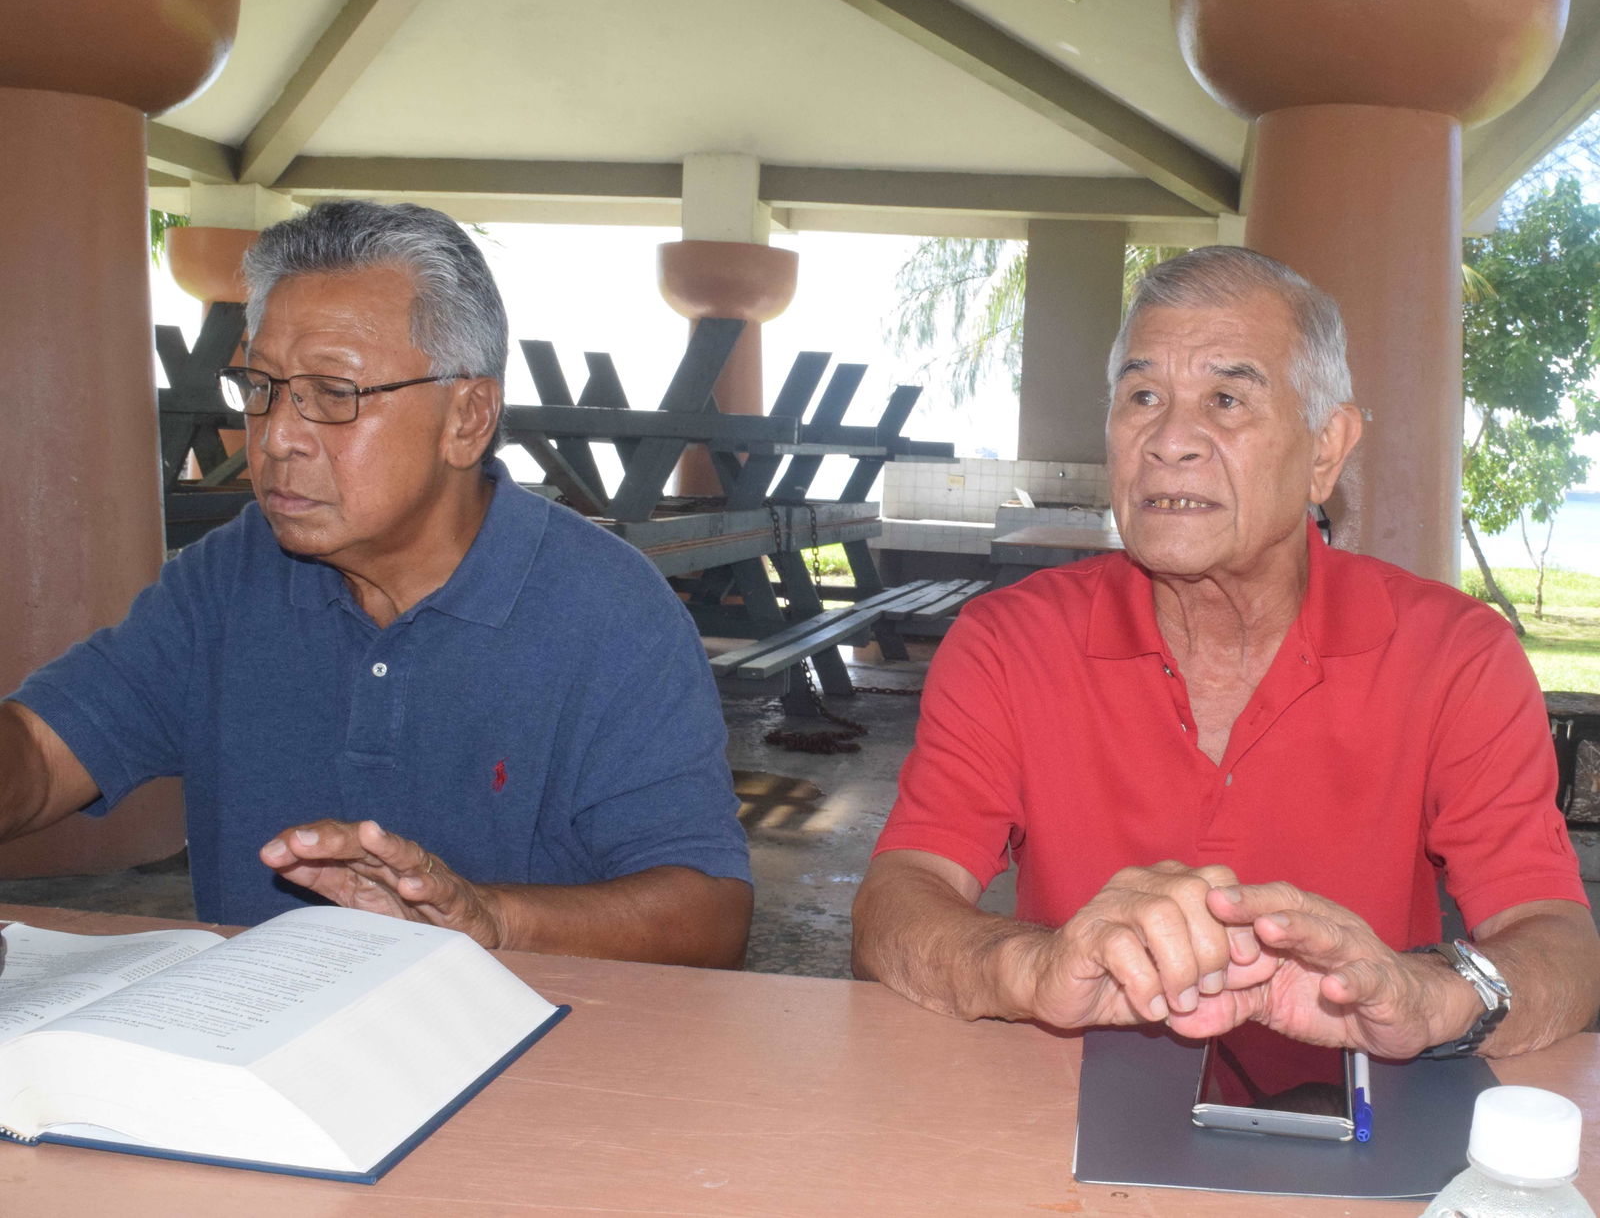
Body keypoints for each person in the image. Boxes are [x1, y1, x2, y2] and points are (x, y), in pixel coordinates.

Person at [853, 246, 1600, 1058]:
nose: (1170, 439)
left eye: (1226, 398)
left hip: (1364, 1106)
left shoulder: (1456, 655)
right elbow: (896, 902)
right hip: (1060, 1102)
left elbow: (1556, 939)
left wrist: (1432, 997)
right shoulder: (1009, 642)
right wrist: (1030, 967)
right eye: (1143, 396)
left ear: (1325, 449)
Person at [0, 200, 752, 968]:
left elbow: (710, 915)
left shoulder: (607, 611)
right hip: (259, 1031)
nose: (276, 436)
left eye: (334, 393)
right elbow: (42, 752)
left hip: (537, 1033)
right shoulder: (229, 580)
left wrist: (490, 921)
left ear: (467, 417)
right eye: (261, 385)